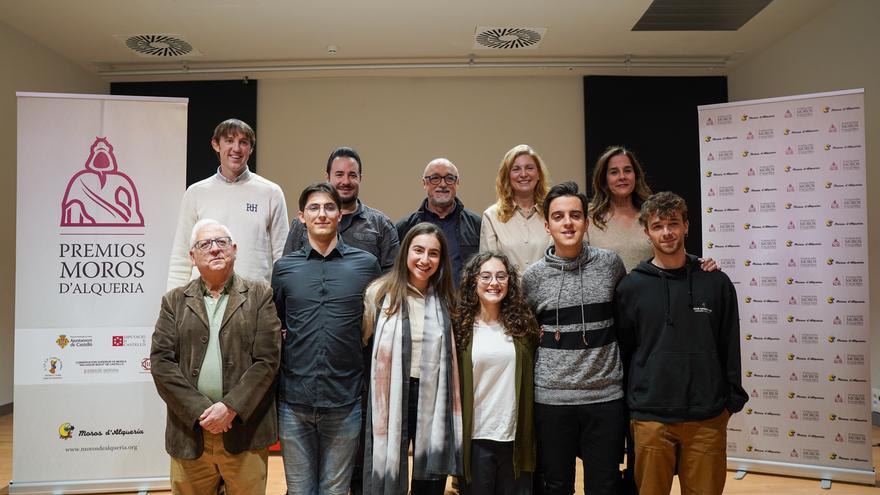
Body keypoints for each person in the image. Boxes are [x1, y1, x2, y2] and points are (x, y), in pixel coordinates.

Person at [615, 192, 747, 495]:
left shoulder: (715, 282)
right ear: (646, 231)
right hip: (650, 417)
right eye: (658, 226)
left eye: (673, 223)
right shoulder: (631, 288)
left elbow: (729, 343)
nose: (667, 232)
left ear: (686, 226)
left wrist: (730, 402)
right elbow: (625, 351)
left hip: (707, 417)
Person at [151, 219, 282, 495]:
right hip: (190, 434)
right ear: (192, 256)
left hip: (245, 432)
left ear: (234, 250)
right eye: (205, 244)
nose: (214, 249)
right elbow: (162, 363)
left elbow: (267, 361)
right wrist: (201, 409)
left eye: (222, 242)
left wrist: (230, 408)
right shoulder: (173, 301)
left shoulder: (260, 296)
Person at [272, 183, 381, 495]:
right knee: (299, 490)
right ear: (302, 217)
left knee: (335, 490)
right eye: (314, 208)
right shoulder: (284, 269)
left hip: (346, 400)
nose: (322, 213)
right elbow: (277, 327)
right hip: (295, 400)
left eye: (329, 207)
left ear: (340, 214)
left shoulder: (366, 265)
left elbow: (373, 328)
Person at [521, 181, 626, 495]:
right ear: (547, 226)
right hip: (552, 400)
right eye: (559, 216)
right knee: (555, 485)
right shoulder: (533, 277)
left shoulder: (610, 265)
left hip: (605, 397)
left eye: (575, 215)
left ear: (586, 221)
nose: (568, 222)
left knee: (605, 485)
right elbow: (525, 334)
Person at [362, 222, 462, 495]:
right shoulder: (379, 294)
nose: (424, 260)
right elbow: (364, 346)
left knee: (430, 477)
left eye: (433, 253)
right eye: (418, 250)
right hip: (392, 392)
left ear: (441, 260)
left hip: (433, 396)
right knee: (389, 466)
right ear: (405, 252)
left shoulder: (448, 300)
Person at [167, 118, 289, 290]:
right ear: (216, 145)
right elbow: (181, 257)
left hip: (255, 301)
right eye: (229, 141)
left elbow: (282, 257)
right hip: (204, 299)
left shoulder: (271, 192)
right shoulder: (196, 193)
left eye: (243, 142)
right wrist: (173, 305)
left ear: (251, 149)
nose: (236, 149)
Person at [453, 251, 538, 494]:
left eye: (501, 276)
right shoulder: (460, 327)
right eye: (486, 276)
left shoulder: (523, 326)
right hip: (476, 438)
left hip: (514, 437)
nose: (494, 283)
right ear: (473, 281)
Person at [283, 146, 399, 271]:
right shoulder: (303, 223)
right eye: (339, 174)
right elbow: (288, 269)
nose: (346, 181)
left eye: (352, 175)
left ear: (360, 178)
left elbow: (392, 277)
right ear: (327, 177)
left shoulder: (381, 224)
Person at [396, 158, 481, 283]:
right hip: (419, 300)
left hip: (464, 301)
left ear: (457, 182)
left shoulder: (476, 225)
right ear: (424, 183)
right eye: (435, 178)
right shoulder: (405, 227)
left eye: (449, 178)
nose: (442, 184)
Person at [479, 144, 552, 274]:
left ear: (539, 174)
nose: (523, 174)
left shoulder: (553, 213)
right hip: (509, 293)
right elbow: (489, 268)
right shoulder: (491, 217)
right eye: (516, 169)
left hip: (547, 292)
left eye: (529, 168)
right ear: (507, 176)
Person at [587, 146, 653, 272]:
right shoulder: (589, 218)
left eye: (627, 170)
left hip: (650, 291)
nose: (622, 177)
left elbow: (673, 253)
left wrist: (697, 262)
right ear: (604, 179)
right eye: (614, 172)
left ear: (635, 175)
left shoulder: (652, 214)